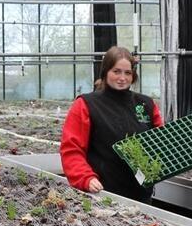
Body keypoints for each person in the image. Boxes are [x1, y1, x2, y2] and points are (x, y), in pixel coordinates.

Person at [60, 46, 164, 202]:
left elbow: (161, 142)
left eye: (127, 73)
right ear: (106, 72)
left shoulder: (146, 104)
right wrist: (86, 178)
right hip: (102, 194)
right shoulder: (86, 104)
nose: (122, 78)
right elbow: (72, 149)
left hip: (141, 194)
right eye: (116, 71)